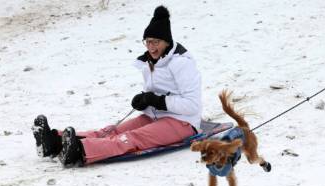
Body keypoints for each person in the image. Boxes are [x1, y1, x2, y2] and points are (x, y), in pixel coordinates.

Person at [32, 5, 202, 167]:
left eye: (155, 42)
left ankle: (80, 150)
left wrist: (157, 101)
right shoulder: (150, 62)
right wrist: (144, 99)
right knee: (111, 131)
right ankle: (54, 141)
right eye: (148, 42)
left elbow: (192, 104)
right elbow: (157, 92)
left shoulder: (182, 63)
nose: (151, 47)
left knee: (130, 138)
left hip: (182, 122)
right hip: (155, 117)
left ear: (166, 41)